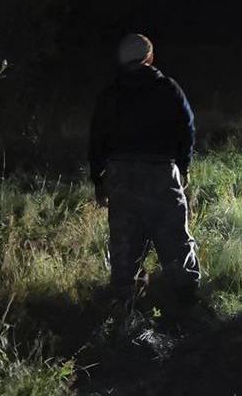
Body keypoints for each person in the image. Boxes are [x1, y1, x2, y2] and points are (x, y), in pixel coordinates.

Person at [88, 33, 200, 306]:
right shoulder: (168, 88)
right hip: (160, 171)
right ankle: (187, 302)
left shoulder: (110, 93)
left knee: (125, 241)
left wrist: (98, 178)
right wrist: (183, 167)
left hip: (120, 174)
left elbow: (97, 136)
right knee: (173, 235)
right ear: (149, 57)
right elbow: (187, 128)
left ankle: (126, 305)